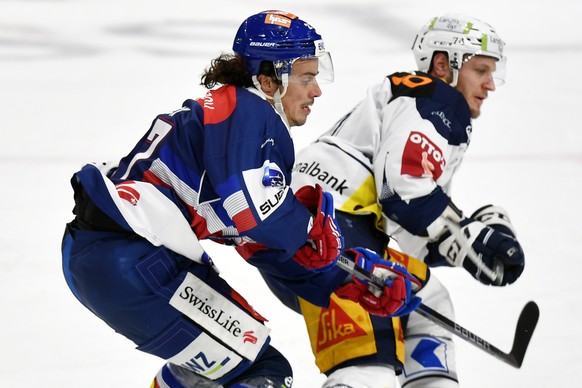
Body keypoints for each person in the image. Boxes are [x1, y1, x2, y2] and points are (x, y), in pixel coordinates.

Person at [60, 10, 420, 388]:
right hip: (133, 255)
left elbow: (260, 242)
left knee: (213, 371)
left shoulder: (233, 125)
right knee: (261, 371)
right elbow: (253, 212)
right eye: (306, 77)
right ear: (267, 79)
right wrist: (309, 227)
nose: (316, 91)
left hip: (101, 258)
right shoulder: (248, 111)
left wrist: (352, 279)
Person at [261, 13, 526, 387]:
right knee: (368, 365)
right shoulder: (438, 98)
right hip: (332, 233)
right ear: (442, 64)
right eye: (480, 70)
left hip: (309, 235)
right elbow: (402, 189)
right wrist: (472, 235)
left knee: (427, 300)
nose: (490, 84)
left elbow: (411, 224)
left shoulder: (415, 106)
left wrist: (465, 246)